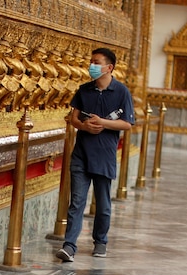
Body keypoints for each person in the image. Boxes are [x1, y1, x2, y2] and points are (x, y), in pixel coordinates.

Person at [56, 47, 134, 262]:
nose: (92, 66)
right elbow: (73, 119)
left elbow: (127, 123)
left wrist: (103, 123)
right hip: (81, 153)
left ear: (109, 67)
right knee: (77, 201)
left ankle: (100, 241)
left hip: (104, 155)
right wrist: (85, 127)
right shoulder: (84, 90)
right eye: (91, 62)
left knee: (103, 204)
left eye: (96, 62)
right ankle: (69, 246)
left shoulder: (121, 92)